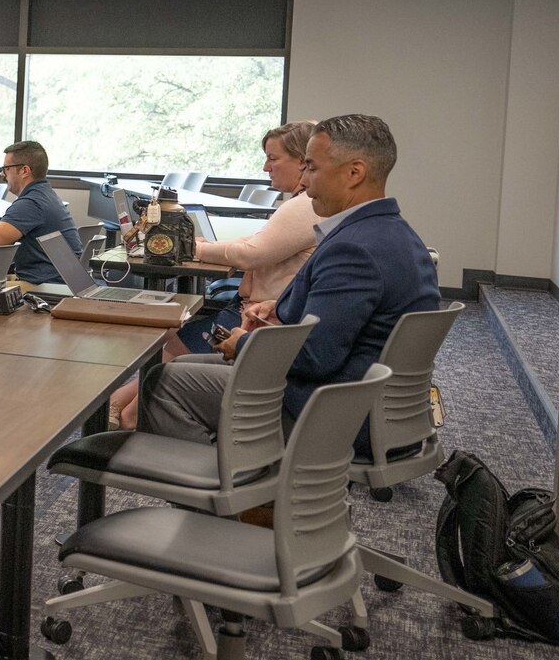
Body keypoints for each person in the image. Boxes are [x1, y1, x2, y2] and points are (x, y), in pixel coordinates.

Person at [140, 114, 439, 450]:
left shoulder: (353, 248)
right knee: (187, 363)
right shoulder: (396, 233)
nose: (306, 182)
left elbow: (315, 357)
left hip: (332, 410)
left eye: (311, 168)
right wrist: (280, 309)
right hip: (370, 401)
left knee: (163, 382)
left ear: (354, 173)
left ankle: (233, 493)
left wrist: (241, 344)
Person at [110, 121, 321, 427]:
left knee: (172, 343)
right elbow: (256, 246)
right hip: (256, 311)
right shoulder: (299, 205)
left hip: (258, 320)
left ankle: (127, 421)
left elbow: (252, 253)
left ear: (303, 161)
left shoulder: (305, 207)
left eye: (273, 159)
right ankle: (121, 405)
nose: (266, 167)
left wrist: (195, 249)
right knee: (175, 343)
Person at [0, 141, 83, 316]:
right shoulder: (44, 194)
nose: (2, 174)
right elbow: (17, 229)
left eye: (6, 168)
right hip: (60, 281)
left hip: (44, 287)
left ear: (24, 171)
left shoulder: (30, 203)